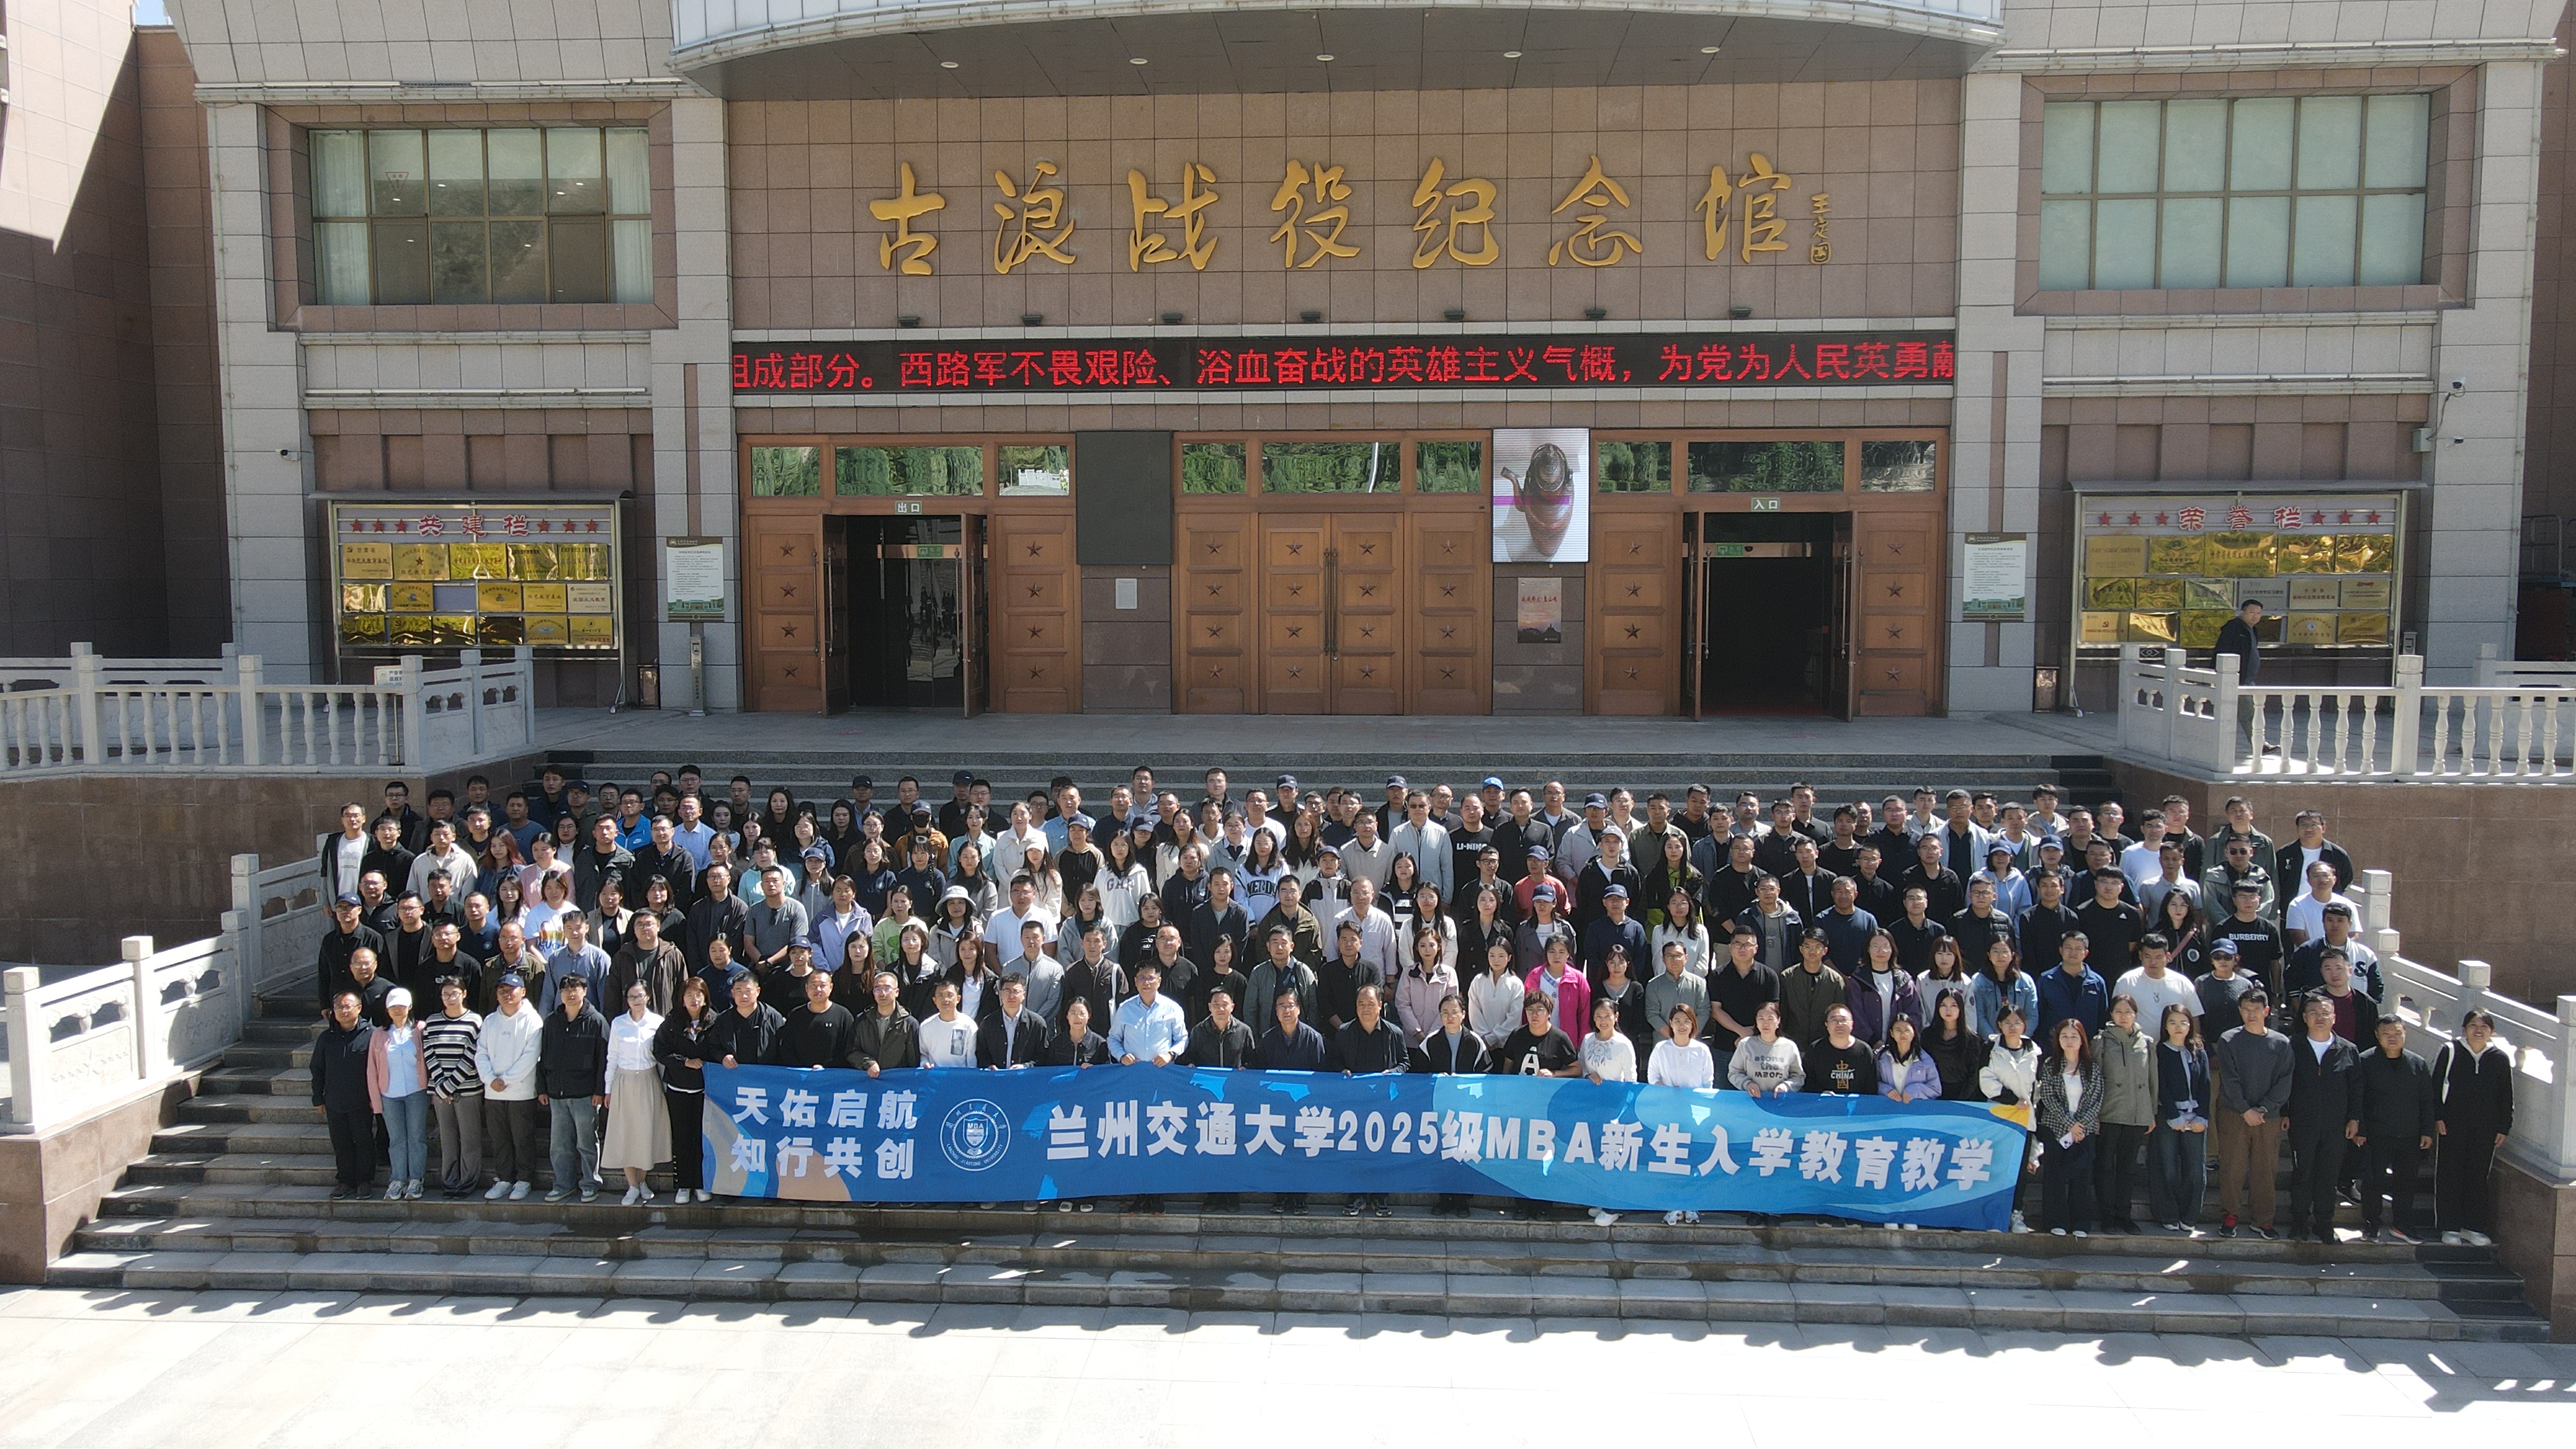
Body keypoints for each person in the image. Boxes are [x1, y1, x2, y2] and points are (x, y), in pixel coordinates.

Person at [2280, 991, 2363, 1245]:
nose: (2320, 1018)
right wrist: (2284, 1112)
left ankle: (2325, 1223)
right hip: (2302, 1122)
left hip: (2336, 1126)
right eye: (2314, 1013)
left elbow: (2356, 1089)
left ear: (2334, 1018)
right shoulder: (2292, 1046)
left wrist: (2355, 1119)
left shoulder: (2347, 1049)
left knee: (2329, 1175)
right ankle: (2299, 1222)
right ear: (2305, 1017)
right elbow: (2282, 1082)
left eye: (2325, 1013)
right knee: (2303, 1173)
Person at [2212, 990, 2291, 1239]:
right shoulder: (2228, 1040)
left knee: (2265, 1169)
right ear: (2240, 1011)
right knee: (2232, 1167)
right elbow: (2229, 1079)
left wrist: (2264, 1108)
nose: (2251, 1014)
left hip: (2268, 1116)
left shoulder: (2281, 1043)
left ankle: (2263, 1219)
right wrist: (2245, 1109)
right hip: (2234, 1113)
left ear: (2267, 1011)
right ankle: (2230, 1215)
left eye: (2256, 1009)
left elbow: (2284, 1081)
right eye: (2246, 1009)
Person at [2434, 1010, 2514, 1246]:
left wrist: (2504, 1127)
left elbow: (2506, 1095)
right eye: (2473, 1025)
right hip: (2452, 1126)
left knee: (2478, 1177)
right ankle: (2449, 1227)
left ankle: (2473, 1227)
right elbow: (2436, 1086)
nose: (2478, 1031)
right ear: (2464, 1029)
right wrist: (2438, 1117)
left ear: (2492, 1032)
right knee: (2450, 1174)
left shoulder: (2499, 1058)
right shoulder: (2450, 1051)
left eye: (2484, 1027)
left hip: (2485, 1129)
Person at [2354, 1016, 2436, 1243]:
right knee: (2373, 1181)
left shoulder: (2417, 1063)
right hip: (2376, 1134)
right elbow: (2358, 1097)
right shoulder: (2365, 1061)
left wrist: (2427, 1131)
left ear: (2405, 1034)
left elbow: (2427, 1100)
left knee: (2406, 1182)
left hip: (2409, 1134)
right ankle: (2371, 1223)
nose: (2392, 1038)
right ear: (2377, 1035)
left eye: (2397, 1033)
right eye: (2386, 1034)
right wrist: (2360, 1129)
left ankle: (2402, 1224)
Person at [536, 974, 607, 1203]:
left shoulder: (596, 1021)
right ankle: (563, 1185)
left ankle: (590, 1184)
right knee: (559, 1145)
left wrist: (599, 1090)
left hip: (585, 1095)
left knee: (587, 1144)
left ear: (585, 991)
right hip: (557, 1094)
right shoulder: (552, 1022)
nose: (570, 994)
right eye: (565, 990)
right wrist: (542, 1088)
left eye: (575, 989)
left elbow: (603, 1060)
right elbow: (542, 1055)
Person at [475, 972, 544, 1202]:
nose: (506, 995)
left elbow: (531, 1056)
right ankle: (504, 1178)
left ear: (523, 992)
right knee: (499, 1138)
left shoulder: (533, 1020)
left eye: (511, 990)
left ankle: (524, 1179)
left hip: (521, 1092)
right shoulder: (490, 1021)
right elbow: (481, 1053)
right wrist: (490, 1079)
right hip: (493, 1092)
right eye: (502, 991)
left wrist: (506, 1080)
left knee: (523, 1138)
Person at [600, 981, 670, 1206]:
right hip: (624, 1082)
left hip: (649, 1080)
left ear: (648, 997)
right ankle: (631, 1184)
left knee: (645, 1133)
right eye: (632, 997)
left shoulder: (658, 1023)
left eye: (640, 996)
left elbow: (662, 1058)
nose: (636, 1001)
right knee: (626, 1133)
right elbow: (612, 1058)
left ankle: (642, 1181)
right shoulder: (619, 1023)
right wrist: (608, 1089)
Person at [2092, 995, 2154, 1235]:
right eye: (2118, 1012)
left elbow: (2153, 1080)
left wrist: (2151, 1112)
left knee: (2128, 1168)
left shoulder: (2146, 1043)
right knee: (2105, 1166)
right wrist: (2094, 1114)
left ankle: (2124, 1215)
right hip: (2109, 1112)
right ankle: (2107, 1216)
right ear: (2111, 1015)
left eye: (2128, 1011)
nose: (2123, 1016)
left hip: (2137, 1113)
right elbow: (2094, 1081)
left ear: (2136, 1014)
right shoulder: (2101, 1041)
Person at [652, 976, 717, 1204]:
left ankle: (700, 1183)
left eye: (698, 995)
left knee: (701, 1138)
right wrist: (684, 1062)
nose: (694, 999)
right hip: (678, 1087)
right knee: (681, 1138)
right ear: (682, 999)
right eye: (689, 995)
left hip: (705, 1091)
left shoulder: (714, 1021)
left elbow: (719, 1049)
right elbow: (660, 1051)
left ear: (705, 998)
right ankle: (683, 1184)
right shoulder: (672, 1022)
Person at [2035, 1019, 2103, 1235]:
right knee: (2054, 1175)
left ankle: (2081, 1223)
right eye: (2064, 1036)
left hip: (2085, 1131)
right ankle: (2056, 1221)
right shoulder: (2050, 1066)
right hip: (2056, 1128)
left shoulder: (2092, 1069)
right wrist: (2069, 1124)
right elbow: (2048, 1098)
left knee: (2082, 1177)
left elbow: (2096, 1100)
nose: (2069, 1040)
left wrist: (2079, 1126)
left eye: (2074, 1036)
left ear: (2082, 1040)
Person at [2148, 1003, 2211, 1235]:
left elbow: (2205, 1086)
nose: (2178, 1027)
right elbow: (2161, 1086)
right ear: (2165, 1026)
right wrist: (2174, 1116)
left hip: (2195, 1116)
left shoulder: (2199, 1052)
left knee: (2195, 1169)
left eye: (2183, 1022)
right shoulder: (2160, 1052)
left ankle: (2189, 1215)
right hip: (2168, 1115)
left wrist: (2202, 1116)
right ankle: (2168, 1214)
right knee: (2167, 1167)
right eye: (2173, 1022)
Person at [421, 977, 485, 1198]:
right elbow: (429, 1054)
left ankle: (467, 1182)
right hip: (440, 1093)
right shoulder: (432, 1022)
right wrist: (442, 1086)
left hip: (467, 1090)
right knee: (447, 1139)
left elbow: (471, 1056)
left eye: (454, 993)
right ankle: (449, 1181)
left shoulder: (475, 1021)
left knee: (470, 1139)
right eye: (445, 994)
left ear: (464, 994)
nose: (450, 998)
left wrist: (451, 1085)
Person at [365, 987, 430, 1200]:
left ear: (410, 1006)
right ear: (387, 1009)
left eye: (402, 1005)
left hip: (416, 1092)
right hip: (389, 1094)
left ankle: (416, 1179)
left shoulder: (420, 1030)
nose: (398, 1010)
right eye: (393, 1006)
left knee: (417, 1137)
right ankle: (398, 1179)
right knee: (396, 1139)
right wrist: (376, 1101)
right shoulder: (379, 1034)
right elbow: (372, 1070)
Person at [1726, 1001, 1804, 1097]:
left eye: (1770, 1019)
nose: (1765, 1023)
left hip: (1780, 1101)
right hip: (1752, 1100)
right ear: (1756, 1022)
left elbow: (1798, 1076)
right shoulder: (1746, 1044)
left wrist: (1786, 1087)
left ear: (1778, 1021)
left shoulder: (1789, 1046)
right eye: (1761, 1019)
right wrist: (1747, 1084)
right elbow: (1734, 1073)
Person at [850, 969, 920, 1076]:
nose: (882, 994)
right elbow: (851, 1052)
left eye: (887, 989)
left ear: (897, 992)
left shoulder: (909, 1023)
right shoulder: (862, 1020)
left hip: (897, 1081)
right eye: (877, 989)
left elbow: (914, 1061)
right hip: (868, 1080)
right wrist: (868, 1063)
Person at [1922, 990, 1986, 1104]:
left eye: (1953, 1006)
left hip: (1964, 1097)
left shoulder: (1972, 1039)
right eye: (1944, 1005)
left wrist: (1961, 1100)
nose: (1948, 1010)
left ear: (1961, 1008)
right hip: (1933, 1095)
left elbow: (1974, 1075)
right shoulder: (1928, 1036)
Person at [982, 974, 1053, 1068]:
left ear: (1024, 995)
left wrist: (1025, 1067)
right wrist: (988, 1066)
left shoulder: (1037, 1024)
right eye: (1007, 991)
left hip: (1025, 1076)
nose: (1011, 996)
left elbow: (1043, 1056)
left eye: (1016, 992)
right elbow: (981, 1052)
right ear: (1000, 994)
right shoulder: (988, 1022)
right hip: (995, 1076)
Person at [1877, 1016, 1940, 1105]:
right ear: (1892, 1033)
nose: (1903, 1034)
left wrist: (1916, 1089)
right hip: (1888, 1107)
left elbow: (1936, 1089)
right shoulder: (1882, 1058)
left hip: (1916, 1109)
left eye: (1907, 1030)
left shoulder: (1925, 1060)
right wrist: (1885, 1090)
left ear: (1914, 1033)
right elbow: (1873, 1082)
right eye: (1898, 1030)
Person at [918, 980, 981, 1068]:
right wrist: (925, 1063)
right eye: (941, 996)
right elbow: (923, 1054)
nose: (945, 1000)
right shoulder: (926, 1026)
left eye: (950, 995)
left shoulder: (969, 1026)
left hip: (961, 1075)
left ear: (958, 999)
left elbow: (972, 1060)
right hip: (935, 1075)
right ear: (935, 1000)